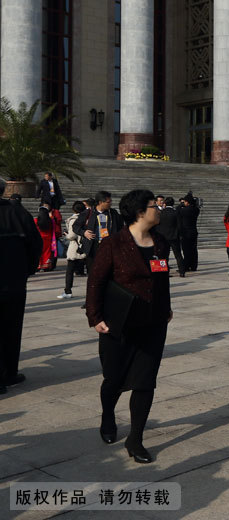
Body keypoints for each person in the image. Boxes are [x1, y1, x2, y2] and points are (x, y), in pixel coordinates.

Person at [86, 189, 172, 464]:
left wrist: (166, 307)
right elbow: (96, 282)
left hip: (153, 323)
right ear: (139, 212)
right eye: (153, 205)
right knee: (113, 379)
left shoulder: (160, 242)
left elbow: (162, 278)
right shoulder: (113, 243)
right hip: (118, 323)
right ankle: (108, 415)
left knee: (145, 382)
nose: (158, 208)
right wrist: (95, 317)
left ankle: (136, 438)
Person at [0, 177, 43, 394]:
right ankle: (8, 373)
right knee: (11, 327)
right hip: (14, 282)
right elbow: (36, 243)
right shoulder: (17, 212)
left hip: (13, 281)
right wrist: (27, 269)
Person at [74, 191, 124, 277]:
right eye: (108, 202)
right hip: (93, 245)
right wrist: (84, 232)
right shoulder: (88, 213)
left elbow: (120, 227)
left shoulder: (113, 213)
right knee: (93, 272)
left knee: (108, 270)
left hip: (108, 245)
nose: (110, 203)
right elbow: (76, 226)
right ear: (100, 202)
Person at [58, 202, 89, 299]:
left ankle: (68, 291)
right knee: (89, 271)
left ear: (74, 210)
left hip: (76, 247)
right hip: (86, 246)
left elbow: (72, 235)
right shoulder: (88, 218)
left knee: (70, 270)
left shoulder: (74, 219)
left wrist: (66, 235)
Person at [156, 197, 185, 277]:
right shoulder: (176, 213)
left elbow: (158, 225)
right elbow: (179, 225)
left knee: (164, 255)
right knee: (178, 255)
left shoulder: (161, 213)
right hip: (174, 237)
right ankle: (182, 271)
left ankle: (165, 272)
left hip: (163, 237)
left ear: (165, 203)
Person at [177, 193, 200, 272]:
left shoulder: (184, 210)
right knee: (194, 249)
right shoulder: (196, 209)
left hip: (185, 232)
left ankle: (186, 266)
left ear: (187, 202)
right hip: (193, 231)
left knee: (186, 250)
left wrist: (180, 205)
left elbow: (178, 212)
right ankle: (194, 266)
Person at [34, 203, 57, 271]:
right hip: (48, 237)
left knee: (39, 252)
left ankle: (38, 265)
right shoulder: (51, 220)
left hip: (38, 237)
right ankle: (46, 265)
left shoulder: (36, 220)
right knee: (47, 252)